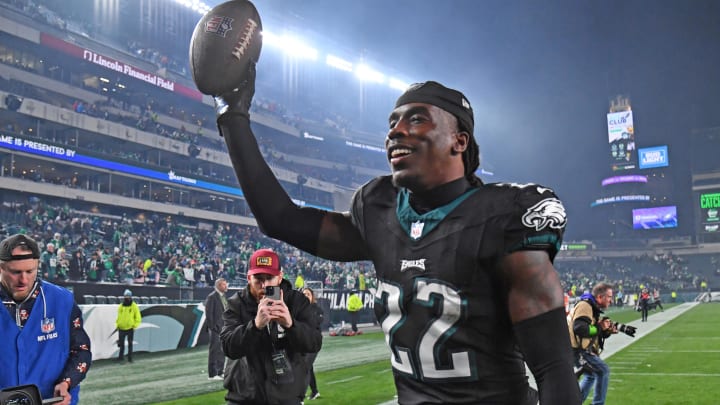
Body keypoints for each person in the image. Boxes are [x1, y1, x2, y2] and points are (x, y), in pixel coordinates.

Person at [212, 60, 581, 403]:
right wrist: (232, 114)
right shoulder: (379, 209)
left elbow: (553, 369)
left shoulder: (503, 216)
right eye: (392, 123)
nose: (396, 132)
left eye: (416, 119)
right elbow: (280, 219)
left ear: (459, 141)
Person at [220, 248, 322, 404]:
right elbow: (228, 347)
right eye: (258, 279)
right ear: (248, 278)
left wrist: (290, 324)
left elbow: (314, 343)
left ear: (280, 277)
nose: (264, 285)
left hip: (286, 395)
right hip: (245, 396)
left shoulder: (296, 301)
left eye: (269, 278)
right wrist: (255, 325)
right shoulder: (236, 304)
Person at [0, 234, 92, 405]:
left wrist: (67, 382)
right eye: (16, 272)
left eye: (30, 271)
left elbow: (81, 351)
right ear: (1, 268)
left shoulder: (62, 301)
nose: (24, 279)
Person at [567, 282, 617, 405]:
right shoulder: (585, 306)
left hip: (577, 348)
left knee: (591, 375)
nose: (611, 300)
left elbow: (593, 331)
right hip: (577, 349)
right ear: (600, 297)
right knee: (603, 370)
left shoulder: (592, 307)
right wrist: (599, 327)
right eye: (609, 297)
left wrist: (606, 331)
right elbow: (580, 328)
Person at [205, 277, 229, 380]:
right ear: (219, 285)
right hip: (216, 329)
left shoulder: (223, 296)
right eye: (224, 284)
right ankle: (212, 374)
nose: (226, 286)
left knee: (222, 350)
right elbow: (209, 314)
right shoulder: (212, 297)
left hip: (224, 328)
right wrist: (213, 327)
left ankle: (220, 371)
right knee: (214, 350)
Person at [302, 287, 323, 400]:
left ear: (312, 296)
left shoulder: (317, 309)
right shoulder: (298, 310)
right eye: (303, 294)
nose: (305, 296)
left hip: (314, 342)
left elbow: (318, 322)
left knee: (305, 366)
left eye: (308, 294)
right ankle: (314, 392)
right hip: (303, 342)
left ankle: (300, 393)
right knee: (308, 367)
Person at [115, 289, 142, 363]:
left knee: (130, 344)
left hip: (130, 328)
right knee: (121, 344)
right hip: (121, 328)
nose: (126, 297)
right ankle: (121, 357)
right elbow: (119, 317)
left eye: (128, 296)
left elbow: (138, 317)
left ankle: (130, 358)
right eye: (125, 296)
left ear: (130, 297)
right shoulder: (121, 306)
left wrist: (135, 325)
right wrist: (118, 325)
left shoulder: (134, 306)